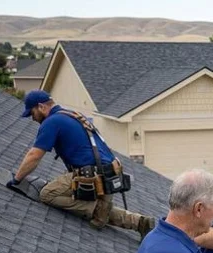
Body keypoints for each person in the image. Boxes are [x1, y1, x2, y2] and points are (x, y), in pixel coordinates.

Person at [9, 89, 154, 239]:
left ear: (41, 106)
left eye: (32, 113)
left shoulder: (52, 122)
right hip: (109, 175)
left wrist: (16, 180)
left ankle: (99, 209)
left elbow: (34, 156)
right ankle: (140, 223)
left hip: (92, 176)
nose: (33, 118)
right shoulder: (72, 114)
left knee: (47, 194)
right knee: (96, 209)